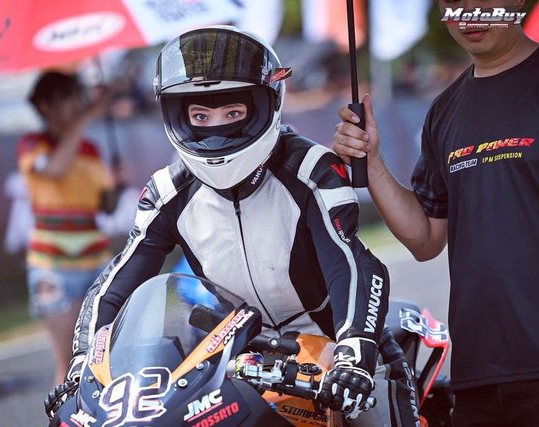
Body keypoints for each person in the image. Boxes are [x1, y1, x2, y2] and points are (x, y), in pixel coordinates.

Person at [51, 26, 420, 424]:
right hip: (233, 362)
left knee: (370, 409)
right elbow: (117, 284)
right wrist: (81, 368)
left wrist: (355, 353)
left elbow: (351, 265)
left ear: (265, 103)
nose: (216, 128)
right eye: (200, 115)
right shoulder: (166, 192)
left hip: (337, 350)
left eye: (233, 112)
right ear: (177, 115)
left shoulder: (313, 170)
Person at [332, 0, 539, 424]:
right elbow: (426, 239)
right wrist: (372, 161)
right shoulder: (445, 110)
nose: (469, 11)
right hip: (477, 377)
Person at [20, 71, 122, 385]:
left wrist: (117, 184)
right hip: (53, 265)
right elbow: (56, 169)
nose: (78, 103)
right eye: (69, 97)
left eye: (79, 95)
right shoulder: (32, 145)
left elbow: (107, 207)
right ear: (45, 105)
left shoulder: (90, 149)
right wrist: (88, 115)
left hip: (97, 260)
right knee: (69, 368)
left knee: (109, 360)